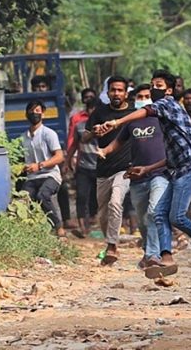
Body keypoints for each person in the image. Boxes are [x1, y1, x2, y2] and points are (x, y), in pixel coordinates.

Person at [94, 70, 191, 278]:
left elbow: (148, 110)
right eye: (152, 85)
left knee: (177, 216)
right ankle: (166, 257)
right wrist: (147, 169)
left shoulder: (168, 104)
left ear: (169, 90)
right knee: (159, 213)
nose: (153, 89)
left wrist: (116, 122)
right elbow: (172, 157)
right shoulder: (167, 118)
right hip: (176, 169)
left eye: (158, 85)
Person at [99, 84, 174, 277]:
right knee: (142, 220)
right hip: (137, 177)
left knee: (153, 212)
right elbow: (118, 142)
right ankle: (148, 252)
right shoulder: (131, 122)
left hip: (160, 173)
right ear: (134, 100)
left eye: (147, 95)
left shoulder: (162, 118)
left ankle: (153, 255)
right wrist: (104, 151)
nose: (143, 98)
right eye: (140, 96)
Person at [83, 76, 136, 265]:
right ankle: (109, 242)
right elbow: (84, 138)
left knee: (116, 202)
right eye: (113, 90)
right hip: (103, 169)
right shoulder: (100, 112)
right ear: (108, 93)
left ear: (126, 93)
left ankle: (113, 247)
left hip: (124, 169)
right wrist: (94, 132)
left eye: (120, 90)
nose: (116, 94)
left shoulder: (133, 113)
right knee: (103, 216)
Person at [21, 100, 65, 237]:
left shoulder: (48, 134)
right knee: (22, 200)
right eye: (31, 111)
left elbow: (59, 157)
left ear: (43, 114)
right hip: (32, 177)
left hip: (51, 175)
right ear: (26, 115)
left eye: (38, 111)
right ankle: (30, 233)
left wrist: (39, 165)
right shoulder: (23, 137)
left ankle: (59, 228)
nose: (34, 114)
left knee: (42, 195)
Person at [66, 95, 99, 237]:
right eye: (91, 108)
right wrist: (67, 161)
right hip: (83, 167)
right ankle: (82, 227)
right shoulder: (80, 126)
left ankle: (94, 221)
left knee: (96, 198)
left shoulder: (108, 126)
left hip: (101, 167)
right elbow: (74, 145)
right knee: (81, 196)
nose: (93, 112)